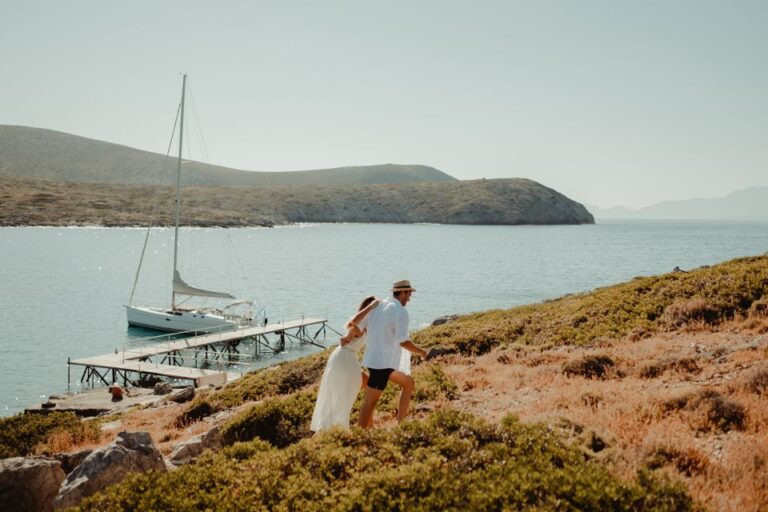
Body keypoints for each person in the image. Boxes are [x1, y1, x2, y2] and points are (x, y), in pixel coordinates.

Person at [357, 279, 428, 428]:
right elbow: (403, 341)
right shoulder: (400, 311)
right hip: (382, 364)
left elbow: (360, 325)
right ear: (401, 293)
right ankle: (360, 437)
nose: (410, 297)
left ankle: (402, 425)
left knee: (408, 383)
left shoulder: (379, 306)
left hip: (377, 361)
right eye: (408, 293)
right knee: (369, 403)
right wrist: (421, 352)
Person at [310, 296, 380, 432]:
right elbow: (354, 322)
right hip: (345, 359)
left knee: (368, 390)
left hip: (345, 357)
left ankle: (368, 426)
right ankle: (360, 427)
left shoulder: (366, 325)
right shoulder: (360, 325)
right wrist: (372, 306)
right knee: (345, 394)